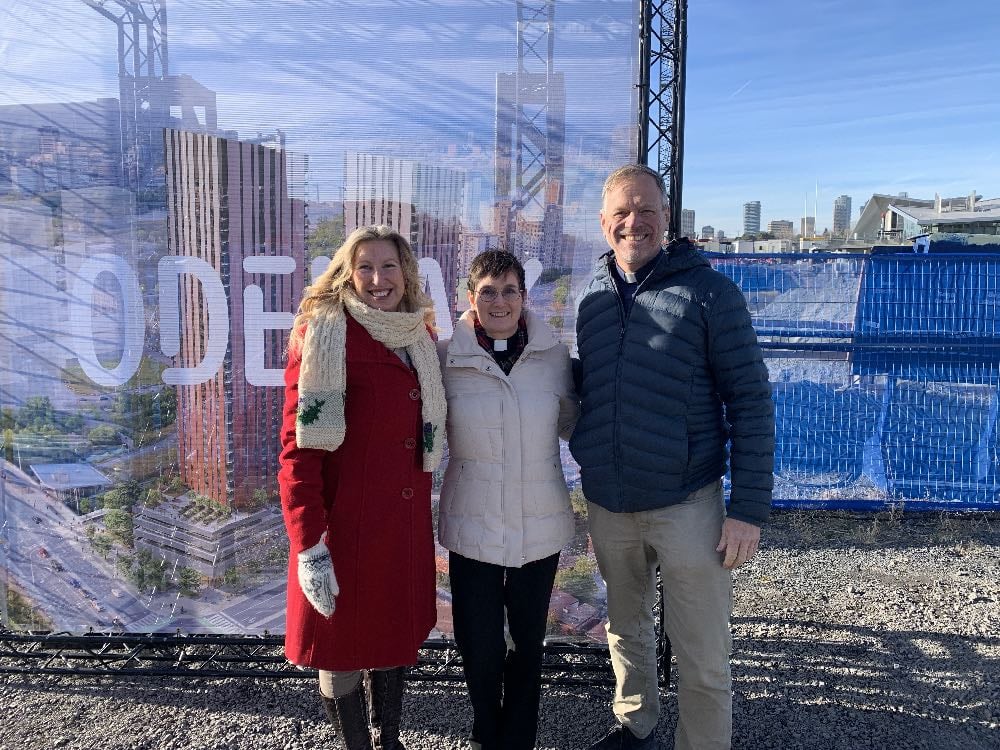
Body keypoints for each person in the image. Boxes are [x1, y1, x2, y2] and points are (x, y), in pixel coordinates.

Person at [571, 164, 775, 750]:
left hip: (688, 502)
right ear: (604, 222)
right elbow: (595, 389)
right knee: (625, 627)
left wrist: (748, 510)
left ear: (667, 218)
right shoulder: (592, 295)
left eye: (647, 211)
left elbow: (752, 403)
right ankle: (636, 721)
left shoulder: (710, 293)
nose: (635, 222)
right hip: (611, 502)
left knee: (703, 650)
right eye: (622, 213)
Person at [278, 224, 446, 750]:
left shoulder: (418, 335)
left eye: (389, 266)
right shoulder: (324, 335)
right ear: (347, 274)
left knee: (391, 637)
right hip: (344, 528)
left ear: (406, 273)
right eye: (366, 267)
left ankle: (389, 739)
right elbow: (298, 452)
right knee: (339, 645)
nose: (379, 279)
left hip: (399, 526)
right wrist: (309, 544)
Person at [438, 250, 578, 750]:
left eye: (509, 290)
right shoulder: (445, 358)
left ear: (525, 296)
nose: (500, 301)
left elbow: (576, 426)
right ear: (470, 298)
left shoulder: (553, 358)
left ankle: (518, 739)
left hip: (537, 526)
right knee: (479, 646)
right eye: (488, 291)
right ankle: (484, 732)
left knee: (527, 647)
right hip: (471, 525)